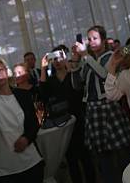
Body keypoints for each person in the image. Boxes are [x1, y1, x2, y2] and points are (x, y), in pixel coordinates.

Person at [71, 25, 130, 183]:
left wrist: (85, 56)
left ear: (103, 40)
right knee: (101, 155)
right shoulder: (87, 60)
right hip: (92, 109)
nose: (91, 42)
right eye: (89, 39)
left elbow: (104, 74)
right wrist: (75, 63)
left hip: (108, 106)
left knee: (120, 152)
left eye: (95, 38)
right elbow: (77, 85)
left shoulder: (111, 56)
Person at [39, 47, 96, 183]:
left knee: (85, 157)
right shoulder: (51, 79)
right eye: (53, 59)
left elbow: (80, 92)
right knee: (71, 159)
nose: (56, 62)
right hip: (62, 124)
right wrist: (43, 68)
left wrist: (72, 67)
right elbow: (43, 95)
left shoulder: (74, 75)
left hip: (78, 119)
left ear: (65, 57)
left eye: (59, 58)